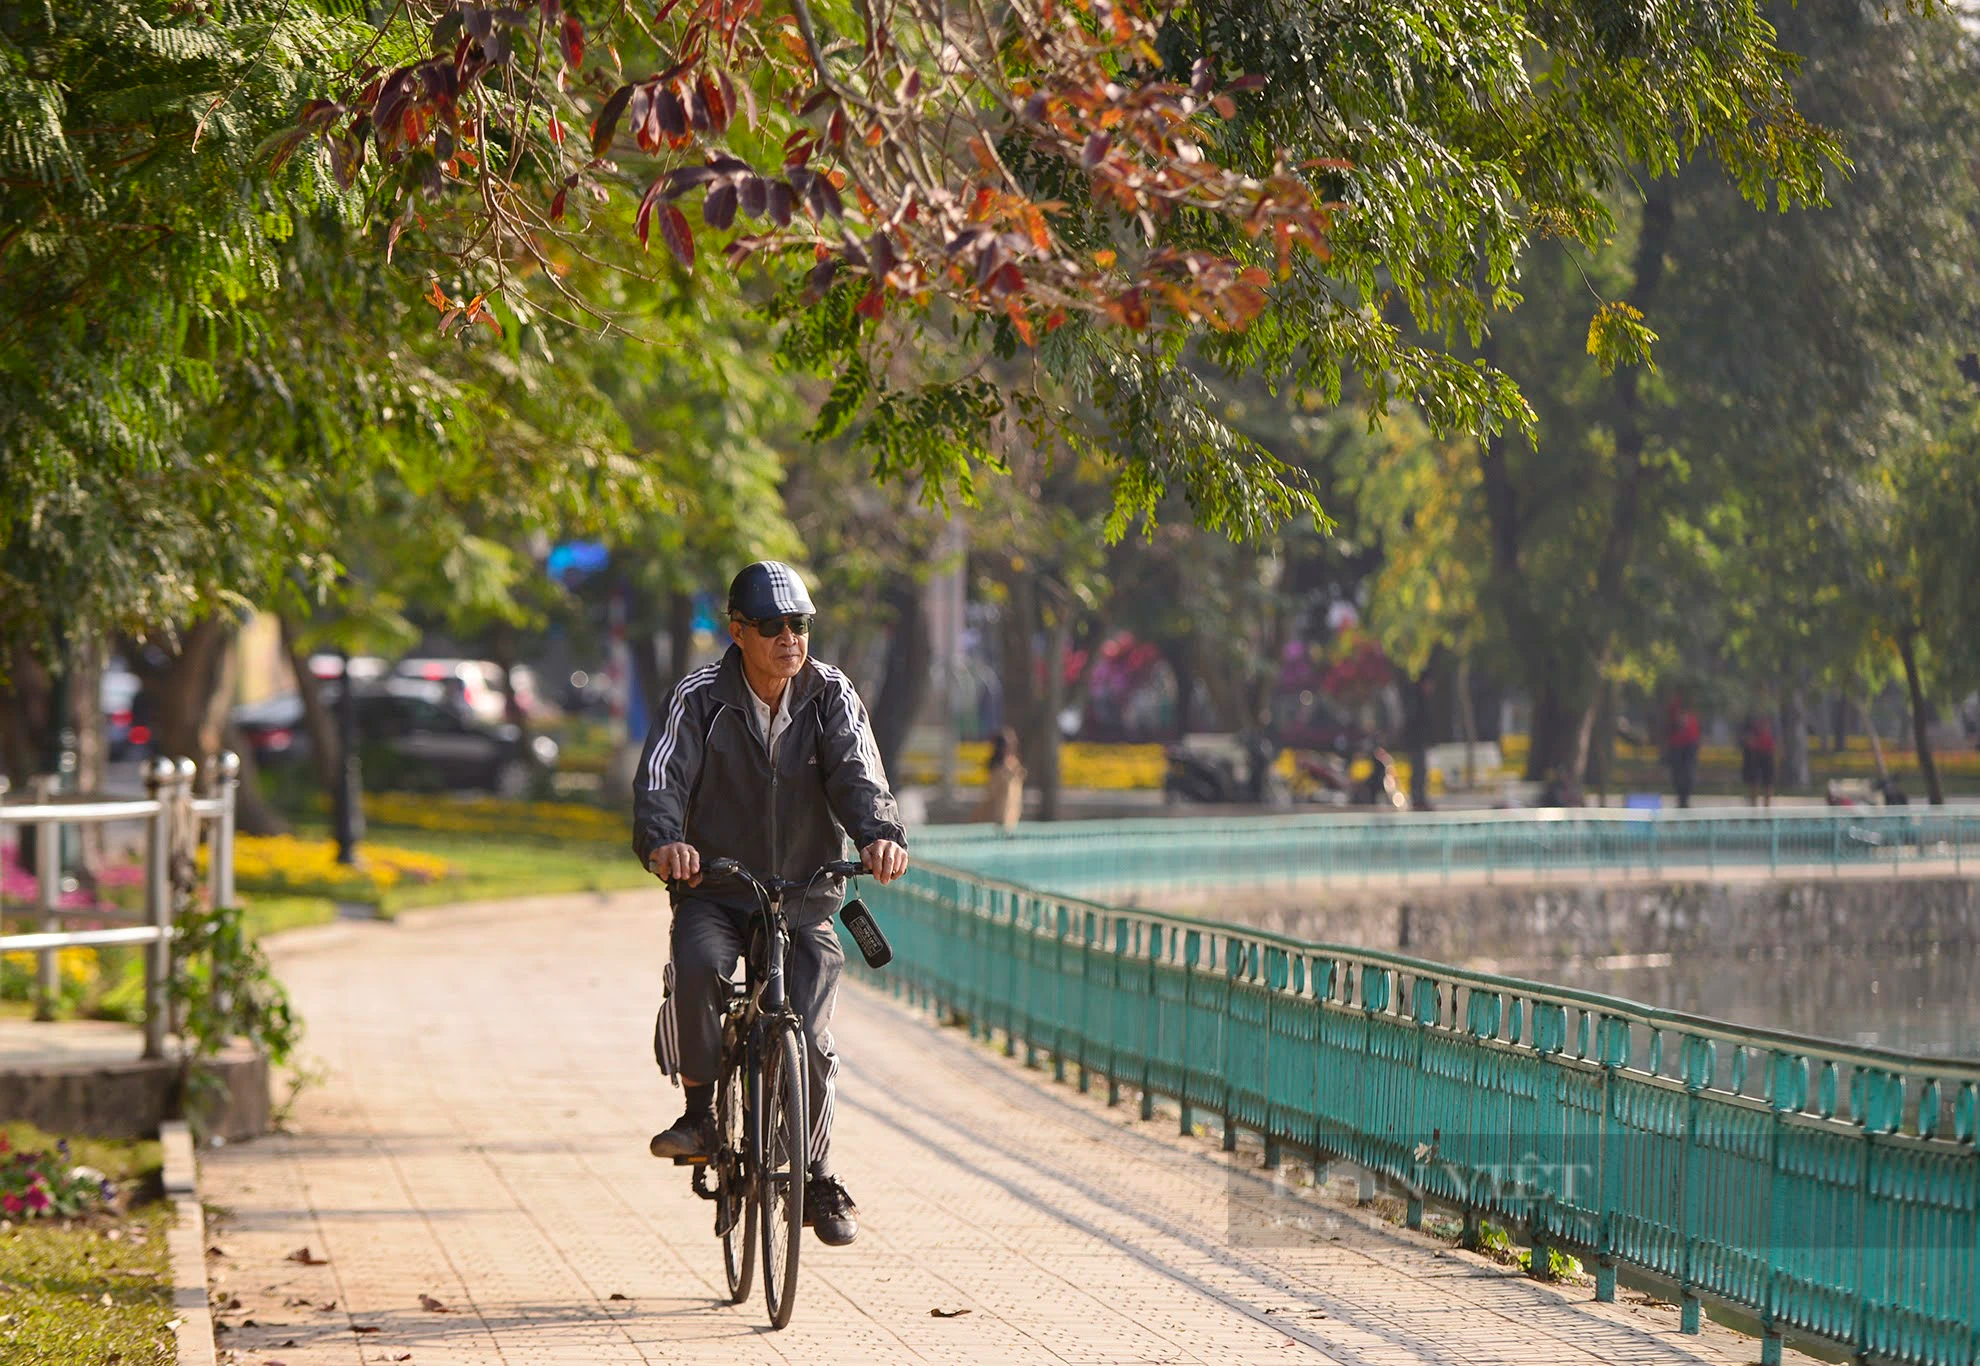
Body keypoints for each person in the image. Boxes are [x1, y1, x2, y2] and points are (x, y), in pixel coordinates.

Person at [633, 561, 909, 1248]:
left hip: (806, 894)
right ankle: (700, 1113)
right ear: (738, 632)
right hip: (717, 890)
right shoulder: (698, 697)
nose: (790, 638)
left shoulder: (831, 695)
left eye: (800, 624)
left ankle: (815, 1175)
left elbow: (860, 775)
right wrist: (667, 842)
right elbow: (664, 775)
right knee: (697, 970)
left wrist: (879, 836)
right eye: (772, 626)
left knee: (809, 1035)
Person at [975, 727, 1025, 828]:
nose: (1013, 746)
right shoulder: (998, 770)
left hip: (1012, 821)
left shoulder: (1015, 765)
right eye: (1010, 743)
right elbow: (992, 795)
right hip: (996, 822)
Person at [1665, 693, 1701, 809]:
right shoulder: (1674, 706)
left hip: (1690, 744)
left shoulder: (1693, 707)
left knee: (1688, 772)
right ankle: (1681, 799)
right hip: (1677, 745)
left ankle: (1685, 799)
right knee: (1678, 773)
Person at [1738, 711, 1776, 807]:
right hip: (1753, 751)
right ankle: (1753, 806)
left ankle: (1767, 807)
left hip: (1767, 750)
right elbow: (1743, 731)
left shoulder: (1772, 712)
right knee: (1753, 780)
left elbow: (1775, 730)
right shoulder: (1749, 712)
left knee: (1768, 781)